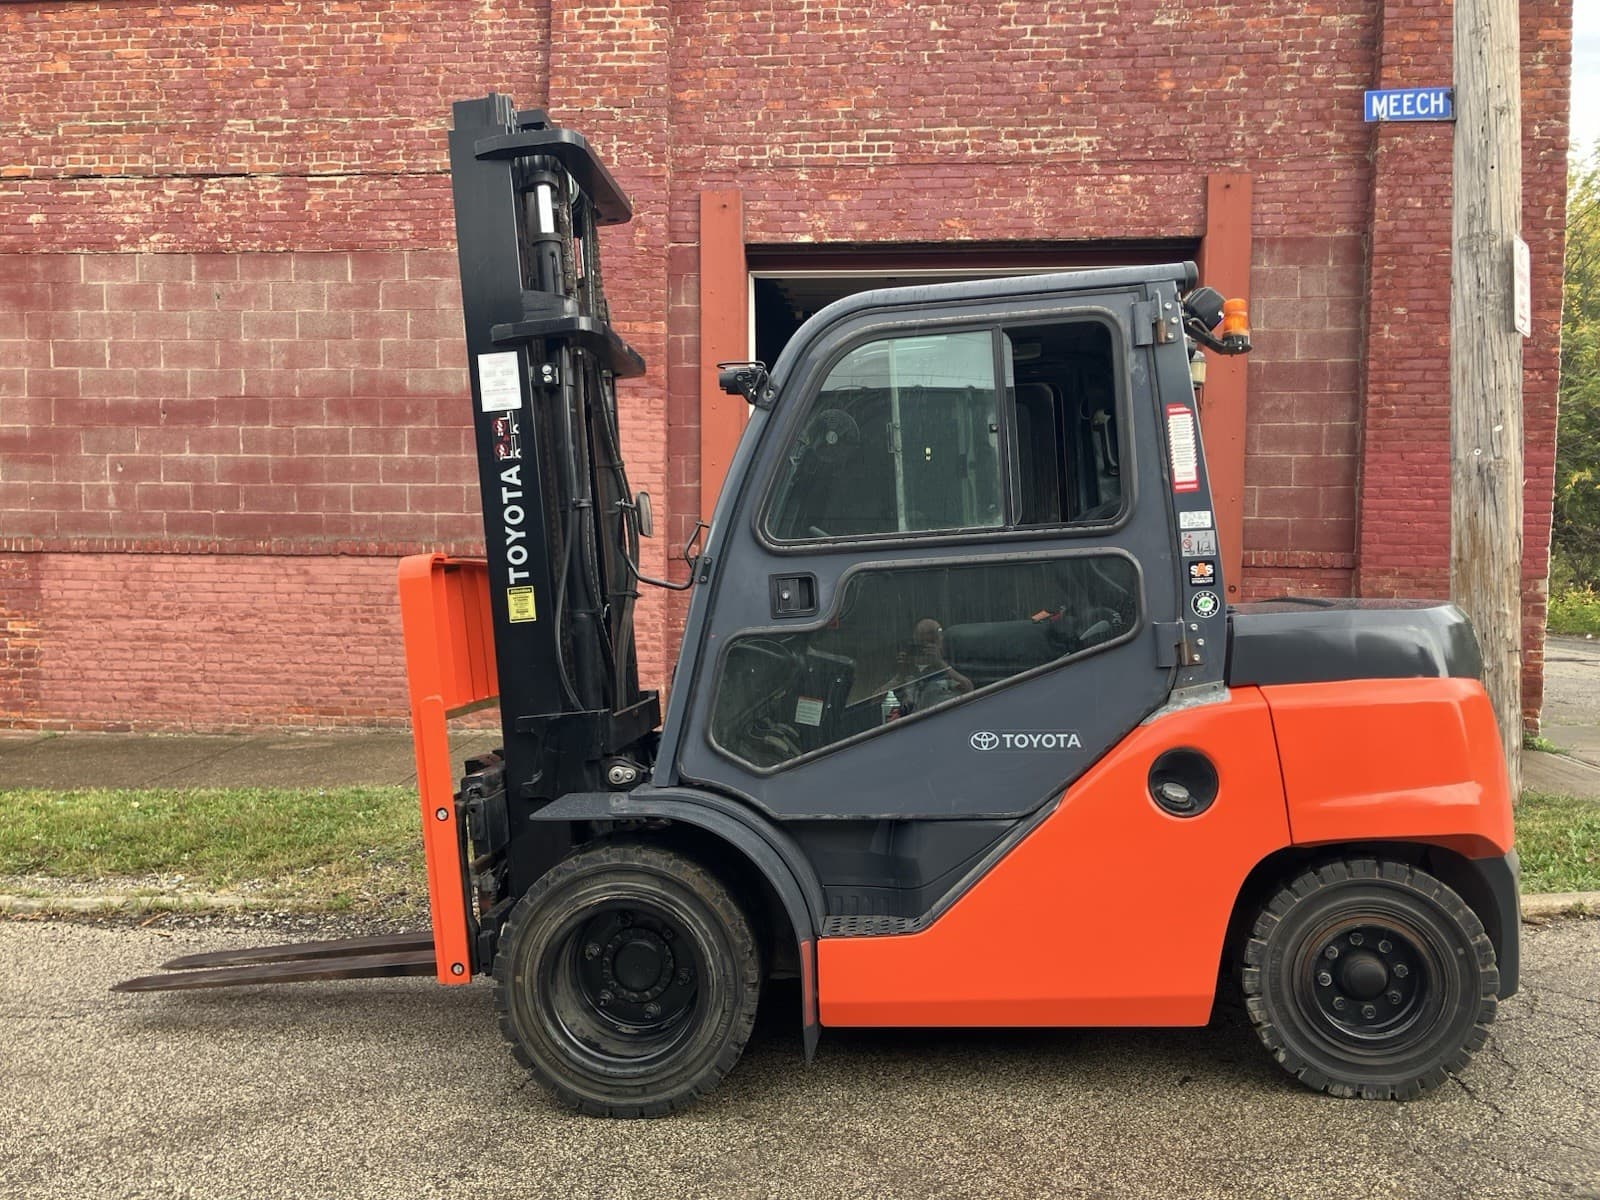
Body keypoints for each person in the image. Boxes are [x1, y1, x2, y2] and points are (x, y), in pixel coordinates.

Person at [894, 618, 974, 712]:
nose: (923, 650)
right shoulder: (908, 673)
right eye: (920, 645)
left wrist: (940, 664)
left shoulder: (957, 665)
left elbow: (969, 689)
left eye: (930, 643)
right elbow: (877, 698)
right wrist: (901, 674)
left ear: (941, 642)